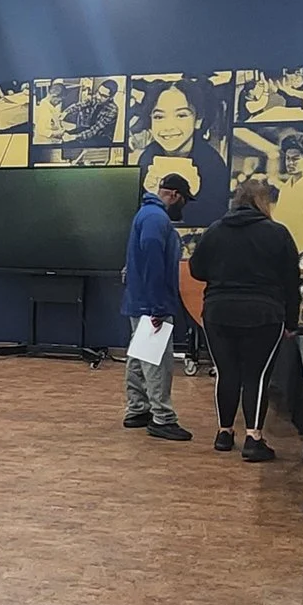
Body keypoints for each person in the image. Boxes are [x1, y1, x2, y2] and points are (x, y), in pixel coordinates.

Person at [188, 176, 301, 462]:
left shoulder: (214, 230)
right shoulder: (277, 233)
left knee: (226, 373)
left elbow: (196, 270)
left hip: (218, 312)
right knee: (257, 376)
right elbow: (292, 281)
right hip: (264, 313)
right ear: (264, 202)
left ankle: (224, 433)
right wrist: (292, 322)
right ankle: (253, 438)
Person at [121, 173, 191, 441]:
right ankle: (162, 418)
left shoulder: (146, 214)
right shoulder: (156, 218)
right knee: (157, 360)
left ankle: (138, 408)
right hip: (152, 303)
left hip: (140, 300)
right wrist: (157, 306)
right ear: (173, 195)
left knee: (140, 356)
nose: (183, 207)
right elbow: (152, 258)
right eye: (183, 200)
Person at [133, 79, 227, 213]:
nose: (169, 126)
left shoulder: (213, 164)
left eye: (181, 115)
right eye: (159, 117)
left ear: (198, 120)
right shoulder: (147, 157)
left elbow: (215, 216)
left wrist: (192, 196)